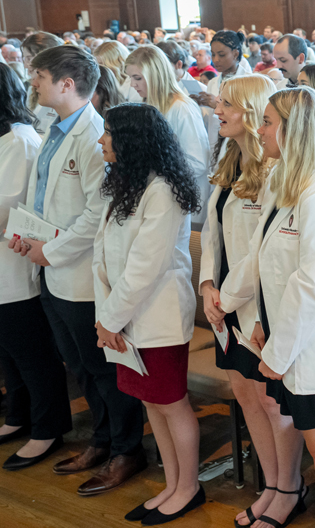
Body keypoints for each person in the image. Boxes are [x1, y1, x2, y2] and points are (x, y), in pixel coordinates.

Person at [220, 88, 315, 528]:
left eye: (267, 121)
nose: (260, 129)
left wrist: (278, 352)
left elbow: (313, 285)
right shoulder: (286, 180)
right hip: (295, 339)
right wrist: (236, 308)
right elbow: (262, 258)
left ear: (293, 129)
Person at [9, 45, 147, 491]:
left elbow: (96, 215)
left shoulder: (93, 135)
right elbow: (40, 194)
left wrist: (50, 251)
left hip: (82, 272)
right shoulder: (51, 127)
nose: (32, 82)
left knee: (104, 370)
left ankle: (128, 450)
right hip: (51, 269)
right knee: (79, 365)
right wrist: (26, 235)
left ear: (66, 84)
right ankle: (102, 440)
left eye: (40, 76)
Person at [200, 75, 308, 528]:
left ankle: (290, 488)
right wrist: (207, 283)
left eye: (227, 104)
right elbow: (212, 233)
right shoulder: (231, 159)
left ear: (250, 109)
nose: (217, 110)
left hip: (255, 303)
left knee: (270, 402)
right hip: (223, 299)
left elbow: (264, 254)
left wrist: (227, 297)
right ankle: (270, 484)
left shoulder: (276, 170)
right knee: (244, 394)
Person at [93, 103, 206, 524]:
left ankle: (189, 487)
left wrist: (111, 318)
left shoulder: (163, 190)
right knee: (150, 403)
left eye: (108, 134)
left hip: (156, 315)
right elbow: (100, 254)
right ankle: (172, 484)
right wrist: (107, 315)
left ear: (132, 141)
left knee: (171, 403)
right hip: (123, 316)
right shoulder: (127, 183)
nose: (101, 140)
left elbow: (146, 266)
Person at [0, 63, 73, 472]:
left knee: (31, 351)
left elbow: (9, 205)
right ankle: (18, 415)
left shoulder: (19, 139)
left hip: (16, 261)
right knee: (8, 350)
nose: (34, 85)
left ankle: (47, 427)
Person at [125, 46, 211, 224]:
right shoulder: (143, 104)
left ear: (155, 75)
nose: (132, 84)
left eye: (137, 78)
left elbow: (198, 162)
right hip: (153, 194)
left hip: (179, 196)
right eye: (130, 78)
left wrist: (155, 169)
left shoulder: (182, 108)